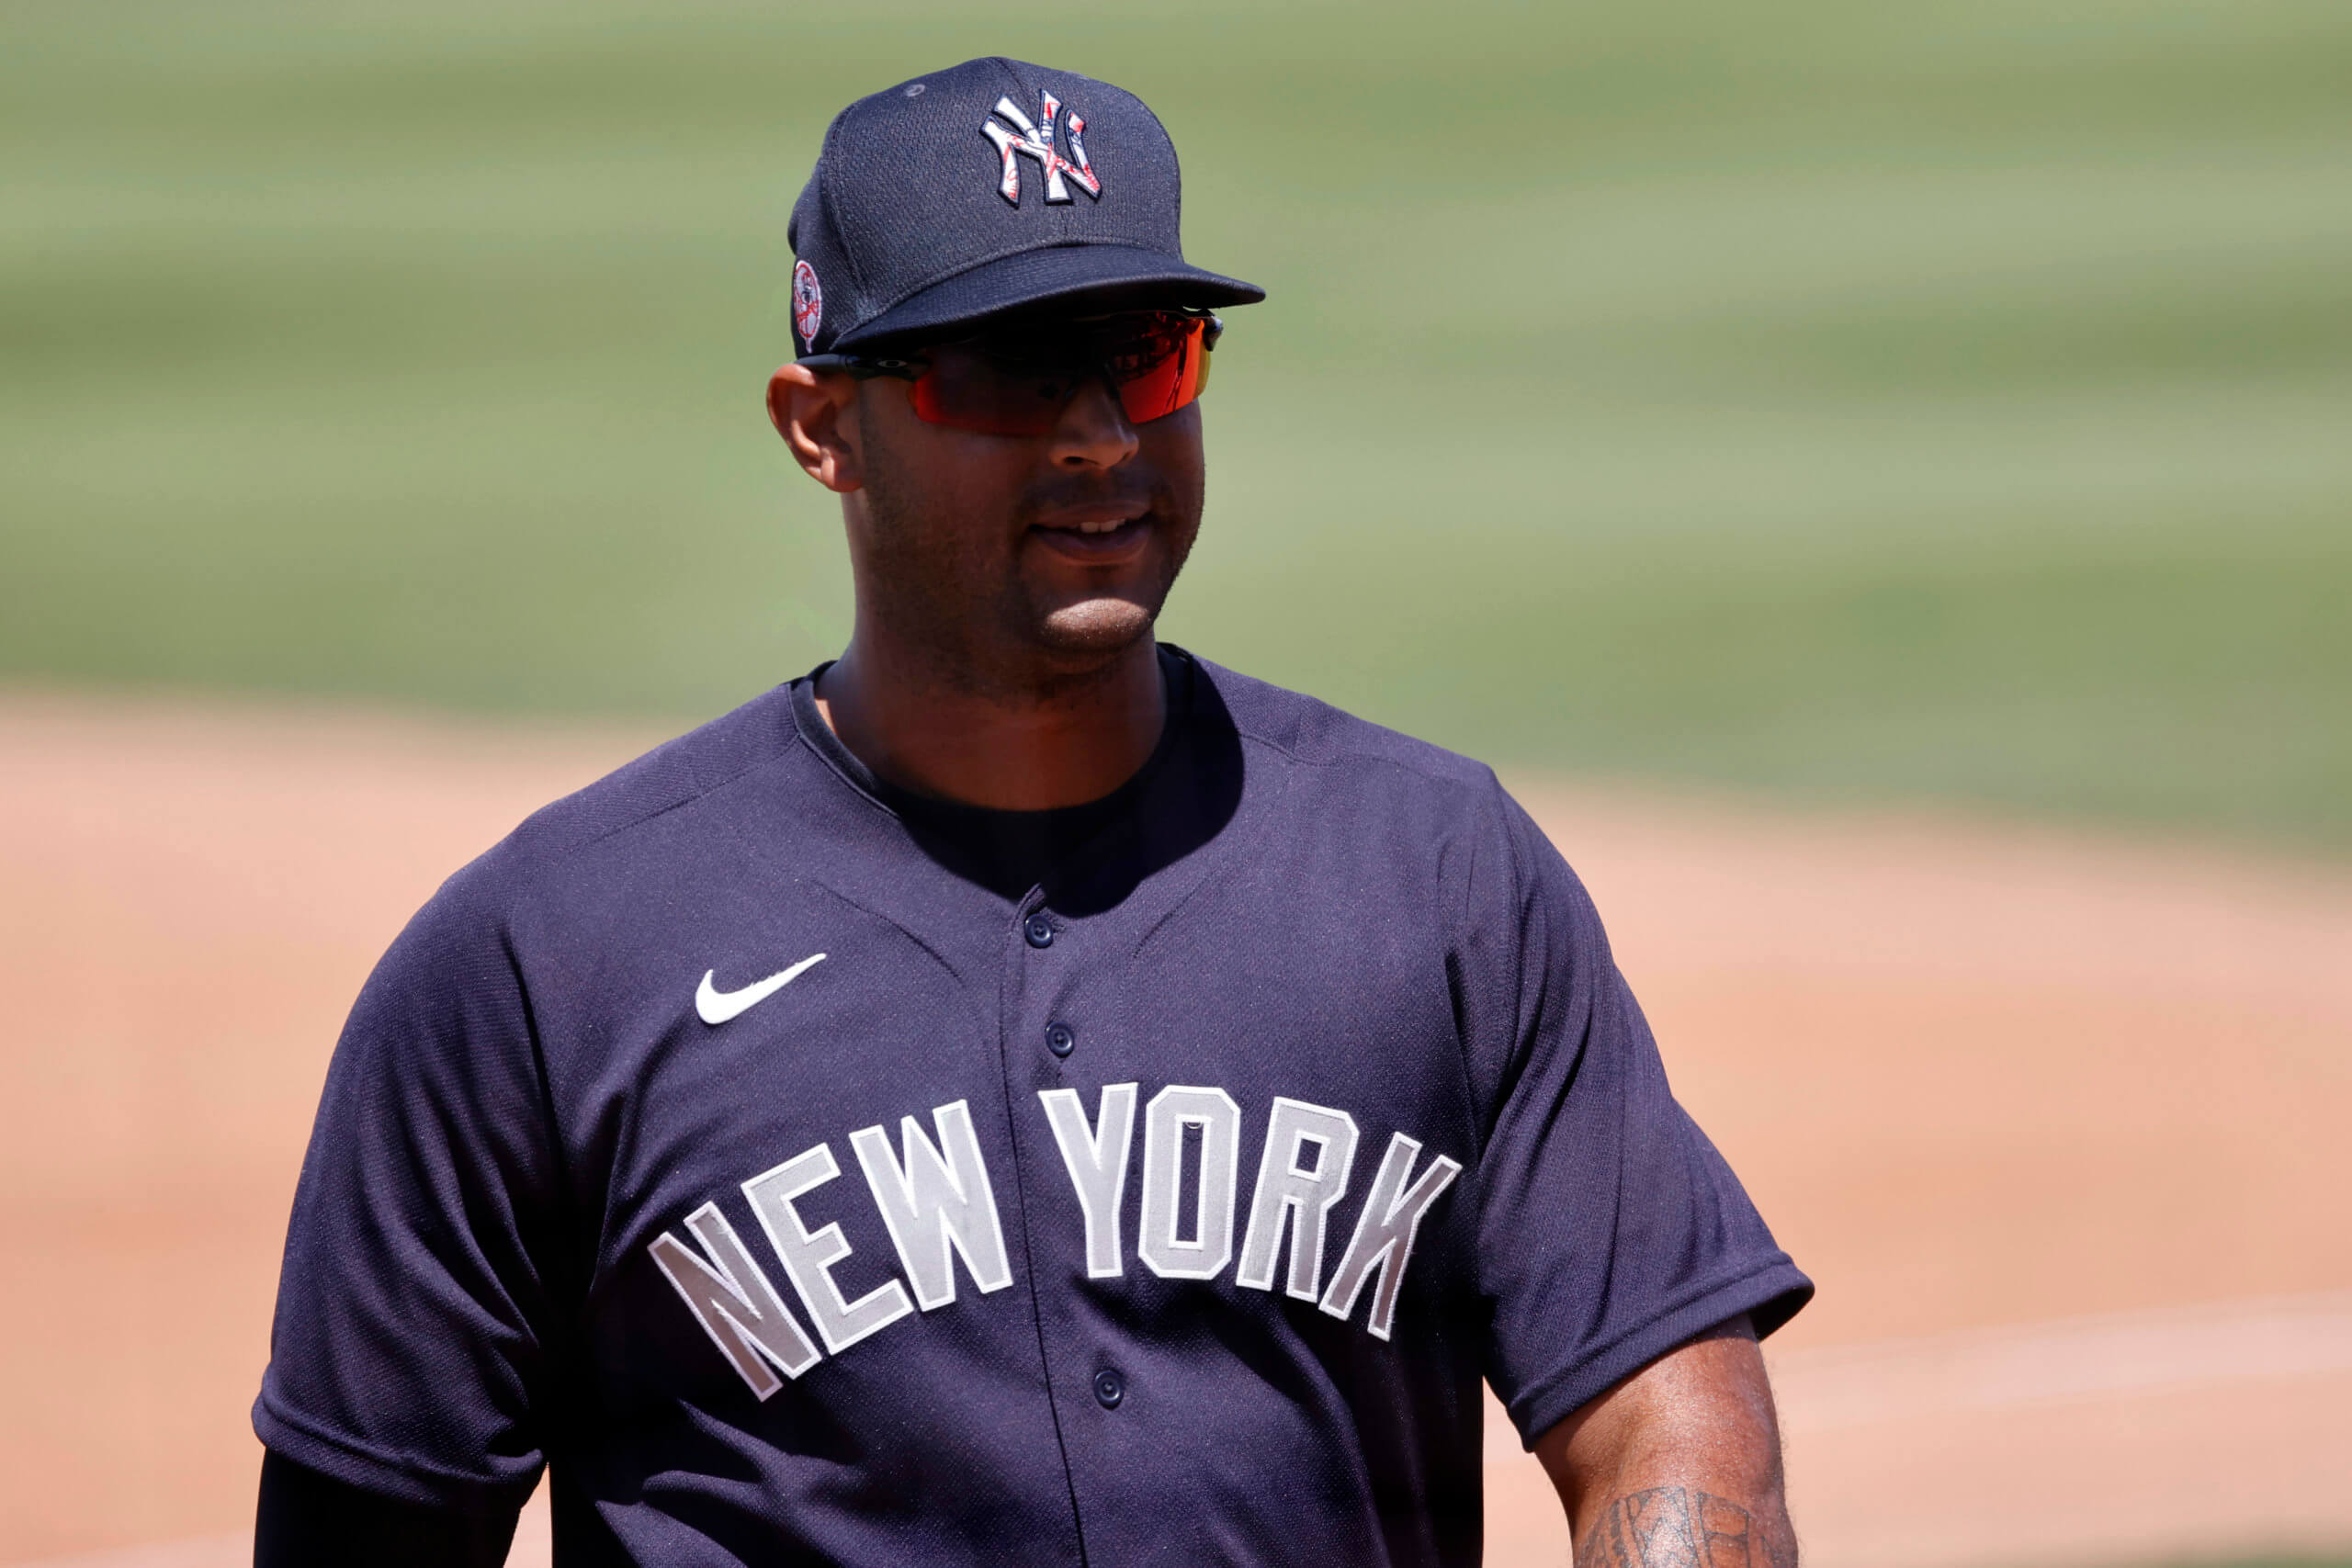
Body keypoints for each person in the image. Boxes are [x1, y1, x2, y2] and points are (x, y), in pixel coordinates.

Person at [253, 56, 1811, 1567]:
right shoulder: (546, 964)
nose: (1097, 438)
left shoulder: (1437, 874)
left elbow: (1672, 1429)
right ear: (821, 428)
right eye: (1003, 372)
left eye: (1145, 356)